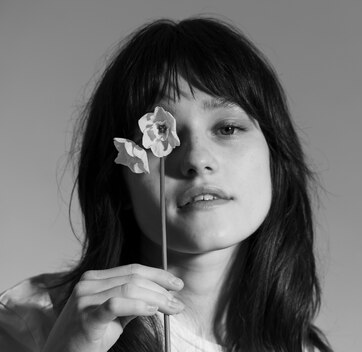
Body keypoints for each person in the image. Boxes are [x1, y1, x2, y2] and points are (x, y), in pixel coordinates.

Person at [0, 17, 332, 352]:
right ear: (120, 179)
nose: (196, 159)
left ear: (275, 159)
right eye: (158, 135)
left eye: (227, 128)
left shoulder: (300, 346)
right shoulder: (30, 322)